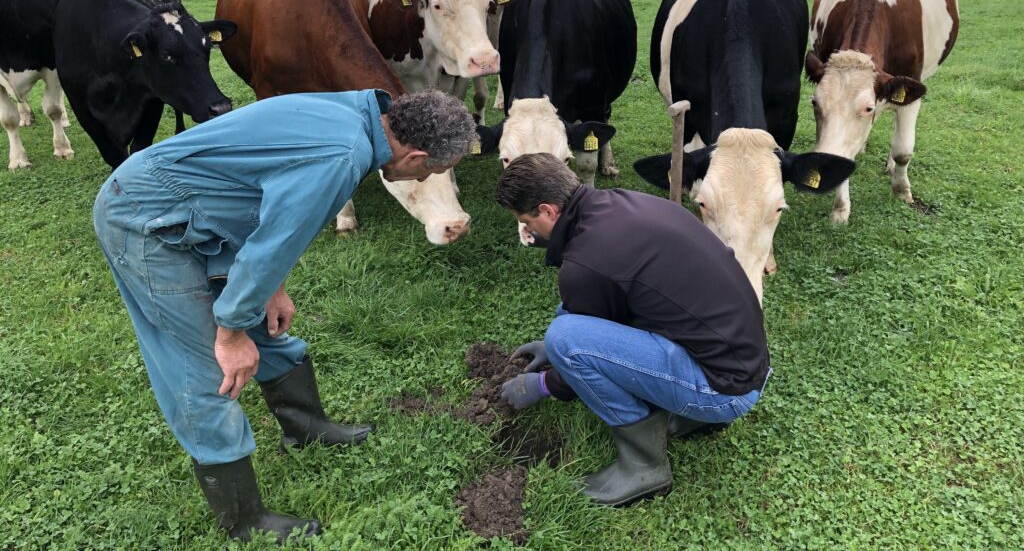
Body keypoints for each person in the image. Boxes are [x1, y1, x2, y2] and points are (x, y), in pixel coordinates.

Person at [93, 88, 476, 544]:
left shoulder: (359, 111)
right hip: (147, 219)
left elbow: (270, 204)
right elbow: (275, 237)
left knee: (269, 329)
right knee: (207, 366)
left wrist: (271, 287)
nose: (423, 178)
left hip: (200, 209)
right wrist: (232, 332)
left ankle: (305, 428)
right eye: (430, 171)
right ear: (416, 155)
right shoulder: (342, 156)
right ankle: (243, 520)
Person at [496, 152, 771, 507]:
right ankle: (683, 415)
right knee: (567, 322)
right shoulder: (621, 205)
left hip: (725, 390)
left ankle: (644, 465)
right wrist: (556, 347)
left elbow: (583, 325)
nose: (528, 231)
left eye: (526, 221)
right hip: (745, 361)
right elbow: (604, 302)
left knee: (567, 339)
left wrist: (546, 384)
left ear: (548, 211)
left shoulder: (585, 262)